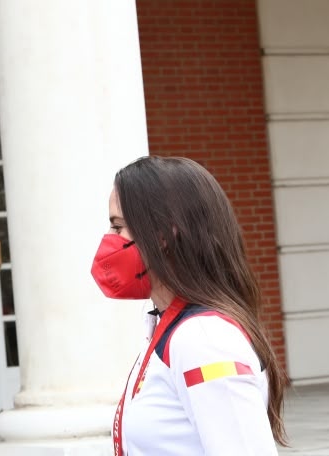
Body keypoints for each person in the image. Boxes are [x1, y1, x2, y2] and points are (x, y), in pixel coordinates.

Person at [89, 156, 288, 455]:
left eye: (118, 226)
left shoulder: (205, 338)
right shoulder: (170, 326)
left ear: (164, 235)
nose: (109, 240)